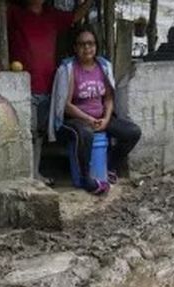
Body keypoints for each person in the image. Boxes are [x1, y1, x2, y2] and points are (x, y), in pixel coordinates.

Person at [7, 0, 92, 184]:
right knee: (27, 133)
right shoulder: (14, 12)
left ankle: (35, 174)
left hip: (47, 87)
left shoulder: (52, 15)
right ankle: (25, 176)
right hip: (22, 88)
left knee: (38, 134)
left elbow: (75, 16)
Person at [50, 28, 142, 195]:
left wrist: (106, 119)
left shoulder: (103, 66)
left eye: (91, 43)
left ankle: (110, 166)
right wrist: (88, 119)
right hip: (74, 121)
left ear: (96, 46)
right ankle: (86, 180)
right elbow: (66, 105)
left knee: (132, 132)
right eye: (82, 44)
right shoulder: (69, 69)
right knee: (85, 133)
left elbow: (108, 98)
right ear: (75, 48)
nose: (87, 48)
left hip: (100, 118)